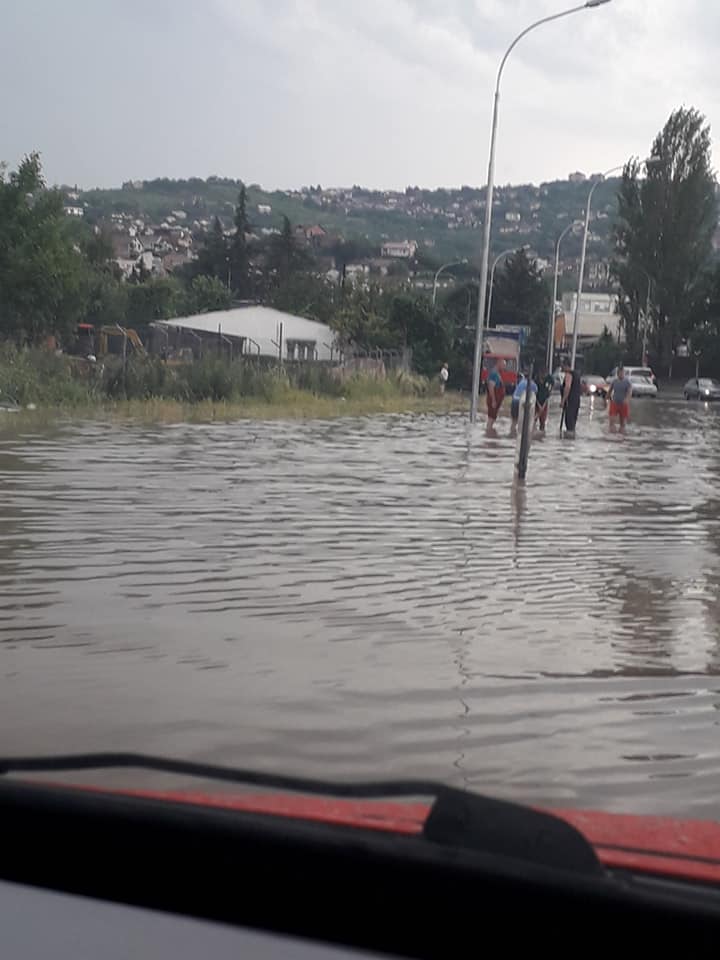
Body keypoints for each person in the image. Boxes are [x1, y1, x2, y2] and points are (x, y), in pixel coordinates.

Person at [607, 364, 632, 431]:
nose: (620, 374)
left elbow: (629, 392)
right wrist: (607, 398)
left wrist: (627, 399)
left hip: (623, 404)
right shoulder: (614, 381)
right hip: (614, 402)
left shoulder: (627, 382)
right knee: (611, 421)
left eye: (621, 372)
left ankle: (621, 435)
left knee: (622, 424)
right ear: (617, 373)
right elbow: (610, 390)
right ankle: (611, 434)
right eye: (619, 372)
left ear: (624, 373)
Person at [561, 361, 581, 437]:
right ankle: (572, 440)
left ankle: (568, 441)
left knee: (569, 422)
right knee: (573, 422)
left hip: (570, 401)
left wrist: (563, 401)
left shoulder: (569, 374)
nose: (561, 368)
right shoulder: (577, 375)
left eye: (562, 366)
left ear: (566, 366)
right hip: (576, 401)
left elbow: (567, 387)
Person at [486, 358, 505, 428]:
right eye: (503, 365)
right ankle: (488, 433)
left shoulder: (496, 373)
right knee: (491, 418)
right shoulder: (494, 374)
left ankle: (489, 432)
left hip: (496, 400)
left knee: (493, 418)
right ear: (499, 363)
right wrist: (493, 400)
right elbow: (491, 387)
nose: (504, 367)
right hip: (493, 400)